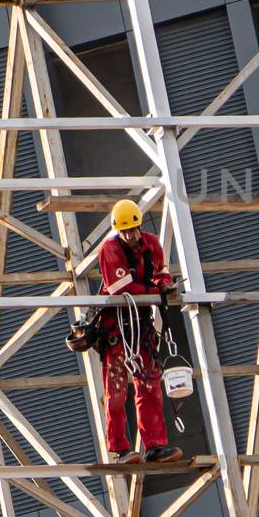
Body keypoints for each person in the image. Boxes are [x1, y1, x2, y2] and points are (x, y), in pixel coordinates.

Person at [97, 198, 183, 463]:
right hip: (116, 328)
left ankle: (155, 445)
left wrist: (165, 284)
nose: (130, 236)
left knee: (148, 384)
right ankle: (121, 448)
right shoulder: (110, 249)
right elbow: (120, 289)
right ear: (118, 232)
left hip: (141, 328)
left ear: (139, 225)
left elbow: (160, 272)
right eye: (125, 232)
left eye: (133, 230)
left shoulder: (151, 244)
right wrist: (156, 291)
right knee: (117, 389)